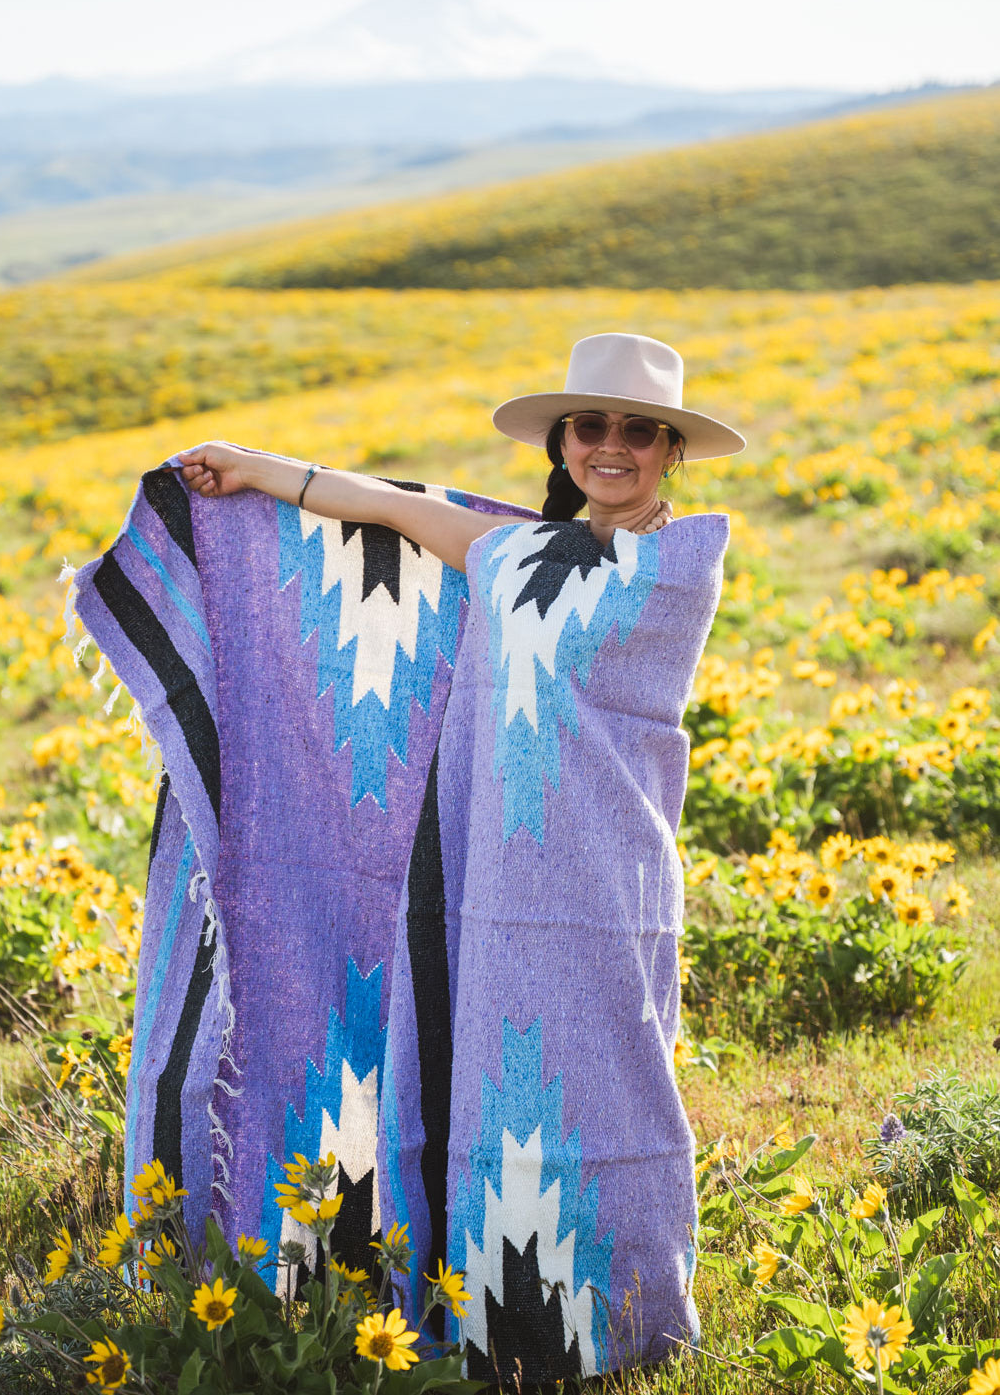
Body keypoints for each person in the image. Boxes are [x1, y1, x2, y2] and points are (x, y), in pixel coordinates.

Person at [73, 333, 742, 1387]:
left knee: (606, 1067)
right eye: (591, 427)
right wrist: (253, 473)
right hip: (488, 874)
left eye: (637, 432)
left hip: (603, 874)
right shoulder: (508, 553)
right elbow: (387, 511)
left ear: (671, 451)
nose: (611, 447)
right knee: (490, 1072)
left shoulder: (674, 571)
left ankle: (629, 1313)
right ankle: (499, 1318)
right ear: (564, 442)